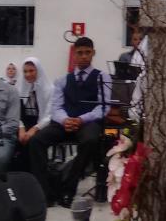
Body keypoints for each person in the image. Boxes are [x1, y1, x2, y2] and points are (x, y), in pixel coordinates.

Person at [29, 37, 112, 208]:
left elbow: (103, 107)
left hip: (88, 122)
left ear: (93, 53)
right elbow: (56, 107)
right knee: (36, 141)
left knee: (90, 141)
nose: (84, 56)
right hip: (64, 122)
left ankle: (68, 188)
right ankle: (45, 192)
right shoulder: (62, 80)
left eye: (87, 52)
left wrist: (82, 119)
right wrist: (65, 120)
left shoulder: (102, 77)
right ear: (74, 55)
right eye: (80, 53)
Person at [16, 57, 53, 160]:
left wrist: (34, 129)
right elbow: (15, 111)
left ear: (38, 71)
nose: (28, 74)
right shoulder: (19, 88)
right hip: (23, 123)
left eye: (31, 71)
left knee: (34, 141)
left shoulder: (49, 89)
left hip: (42, 124)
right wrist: (21, 128)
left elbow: (49, 115)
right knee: (13, 138)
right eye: (25, 71)